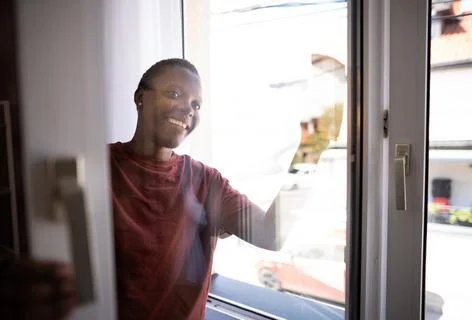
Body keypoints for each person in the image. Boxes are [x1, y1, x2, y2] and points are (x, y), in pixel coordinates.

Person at [0, 58, 283, 320]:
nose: (188, 109)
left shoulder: (207, 183)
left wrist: (313, 146)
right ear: (140, 98)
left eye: (196, 104)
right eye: (174, 94)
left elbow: (271, 235)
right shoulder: (95, 167)